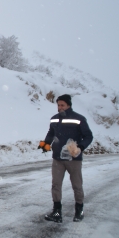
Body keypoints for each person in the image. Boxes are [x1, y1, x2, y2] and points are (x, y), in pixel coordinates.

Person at [38, 94, 93, 223]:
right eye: (58, 105)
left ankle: (79, 211)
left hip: (73, 159)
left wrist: (80, 146)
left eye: (62, 105)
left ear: (69, 105)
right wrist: (46, 144)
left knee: (77, 185)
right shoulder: (54, 119)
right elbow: (51, 133)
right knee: (56, 185)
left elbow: (88, 136)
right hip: (57, 158)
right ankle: (57, 212)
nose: (60, 107)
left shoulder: (79, 119)